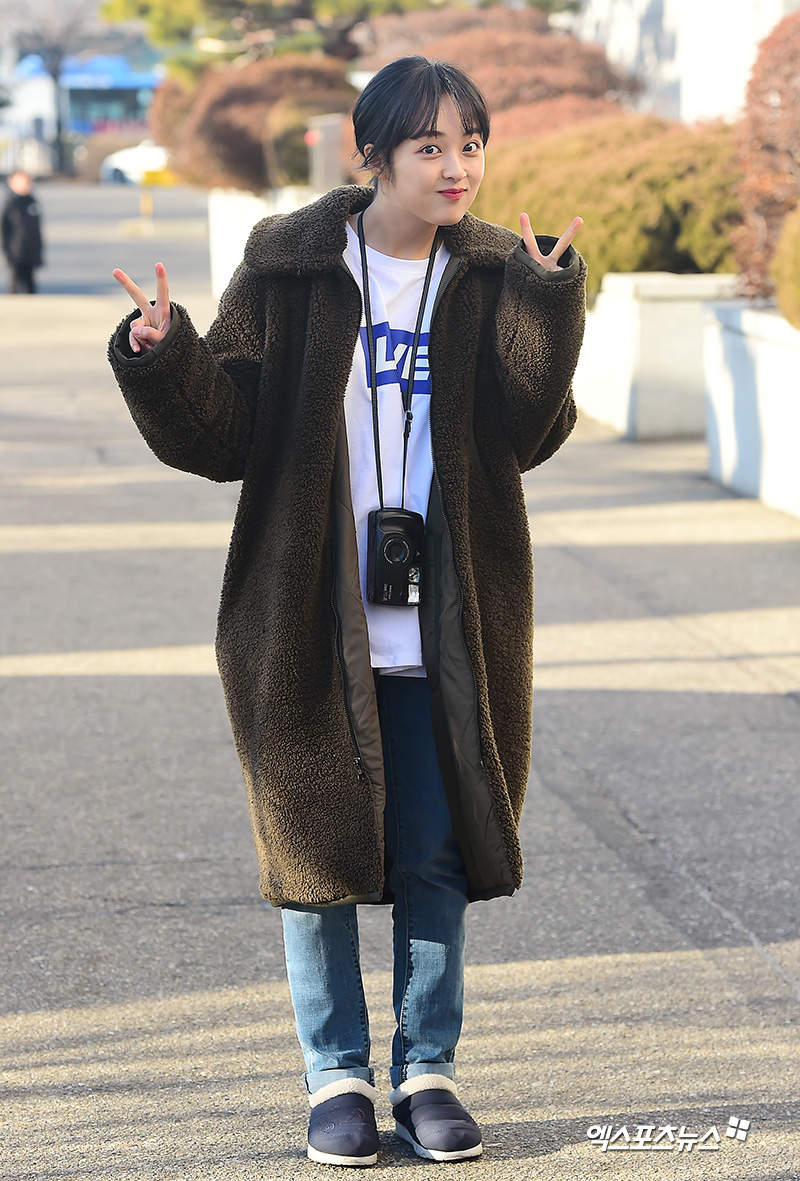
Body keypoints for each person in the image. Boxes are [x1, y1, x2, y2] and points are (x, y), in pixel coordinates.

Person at [108, 55, 585, 1168]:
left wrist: (546, 303)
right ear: (370, 155)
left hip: (447, 606)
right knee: (313, 855)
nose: (456, 166)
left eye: (470, 143)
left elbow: (529, 429)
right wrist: (162, 354)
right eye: (429, 146)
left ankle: (426, 1070)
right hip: (305, 606)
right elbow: (222, 435)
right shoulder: (292, 269)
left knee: (432, 849)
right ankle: (334, 1080)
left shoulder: (488, 272)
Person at [2, 170, 44, 294]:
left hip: (31, 250)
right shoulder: (10, 202)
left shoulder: (32, 200)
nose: (27, 184)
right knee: (15, 284)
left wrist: (39, 249)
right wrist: (7, 251)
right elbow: (4, 230)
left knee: (30, 286)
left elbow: (36, 228)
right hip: (16, 252)